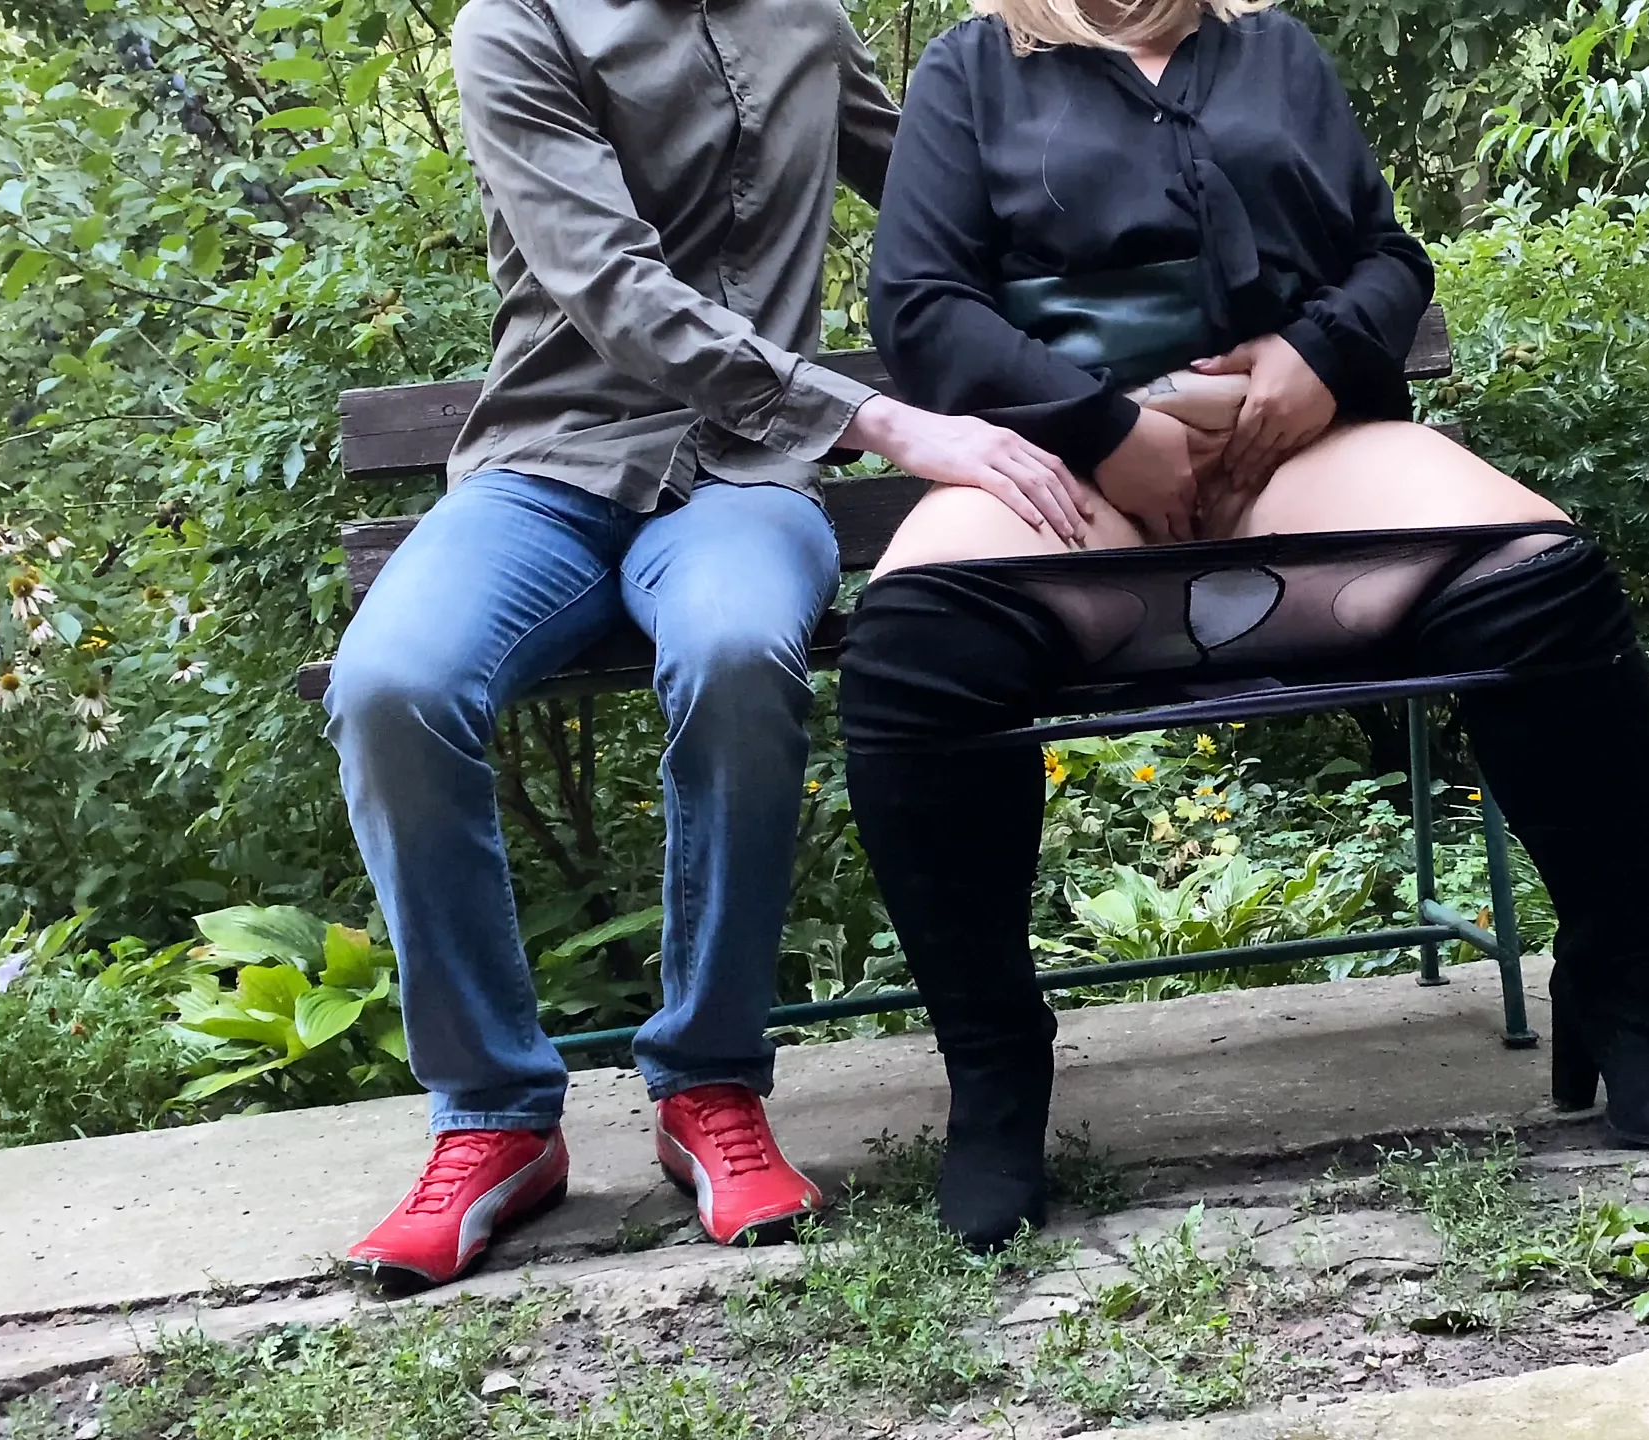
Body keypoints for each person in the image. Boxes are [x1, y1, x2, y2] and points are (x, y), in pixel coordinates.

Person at [838, 0, 1649, 1253]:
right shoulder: (972, 68)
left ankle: (1621, 993)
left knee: (1539, 581)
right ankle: (996, 1077)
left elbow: (1386, 254)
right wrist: (1103, 425)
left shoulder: (1273, 48)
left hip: (1290, 456)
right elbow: (922, 306)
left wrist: (1319, 353)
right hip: (1068, 468)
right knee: (916, 648)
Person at [326, 0, 1092, 1289]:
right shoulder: (517, 23)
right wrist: (882, 420)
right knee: (391, 685)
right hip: (546, 470)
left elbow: (947, 194)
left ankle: (709, 1086)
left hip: (748, 477)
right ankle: (494, 1119)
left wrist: (1150, 256)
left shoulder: (802, 18)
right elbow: (612, 287)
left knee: (738, 656)